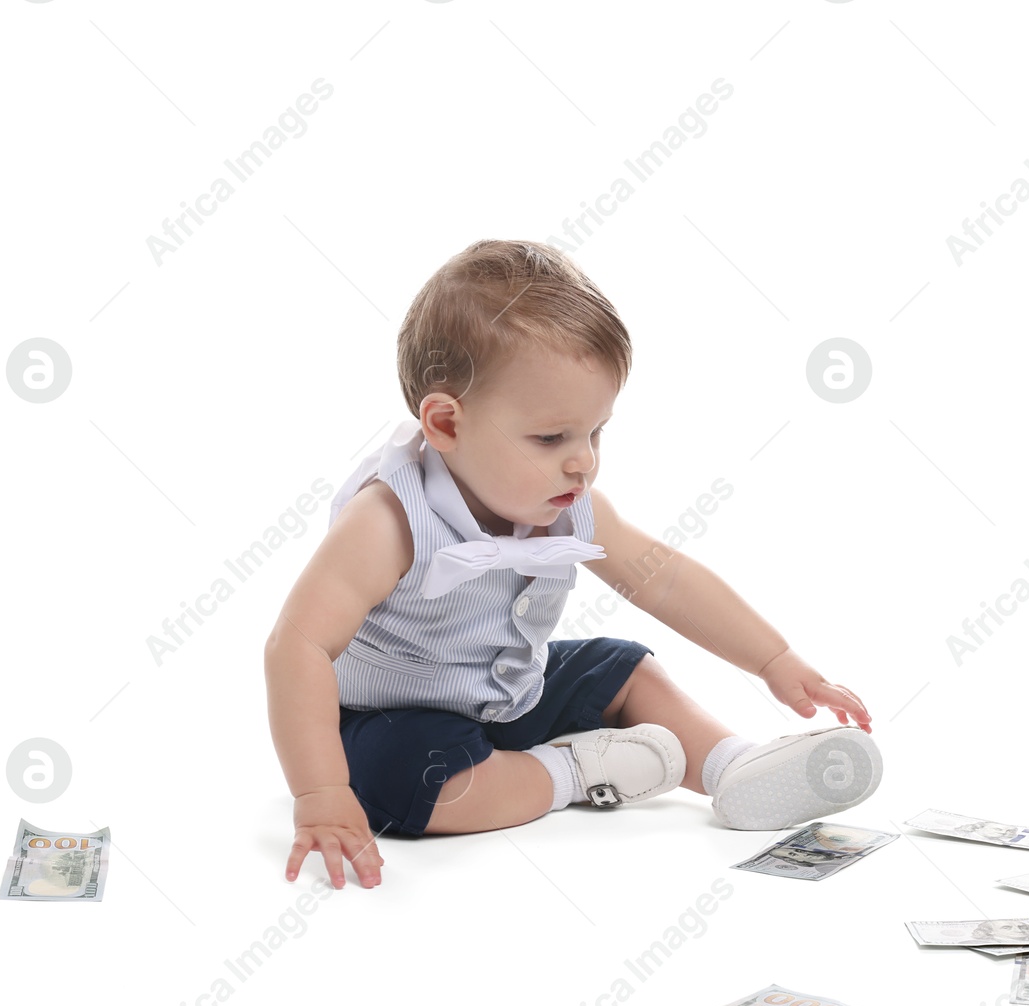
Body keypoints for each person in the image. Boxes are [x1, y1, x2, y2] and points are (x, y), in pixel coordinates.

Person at [265, 239, 882, 890]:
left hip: (512, 693)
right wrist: (321, 792)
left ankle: (732, 767)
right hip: (395, 715)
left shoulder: (569, 504)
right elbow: (296, 645)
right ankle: (572, 772)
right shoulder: (390, 520)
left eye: (596, 432)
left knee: (623, 668)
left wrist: (774, 659)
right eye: (551, 437)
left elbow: (665, 578)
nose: (582, 460)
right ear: (446, 423)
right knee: (409, 783)